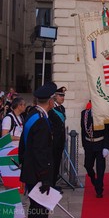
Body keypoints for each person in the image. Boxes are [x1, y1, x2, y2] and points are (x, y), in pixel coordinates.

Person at [18, 82, 57, 218]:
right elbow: (40, 151)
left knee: (35, 208)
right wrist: (45, 178)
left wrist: (22, 161)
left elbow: (23, 144)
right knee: (40, 211)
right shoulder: (41, 121)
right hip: (38, 174)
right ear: (50, 101)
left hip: (31, 170)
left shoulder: (32, 114)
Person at [81, 101, 108, 198]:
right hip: (89, 144)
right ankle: (93, 180)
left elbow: (106, 132)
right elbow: (83, 130)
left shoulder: (103, 114)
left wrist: (106, 147)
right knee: (88, 165)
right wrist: (84, 145)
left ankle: (99, 189)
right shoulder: (84, 113)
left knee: (100, 169)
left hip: (100, 144)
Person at [48, 86, 67, 193]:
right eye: (60, 95)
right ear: (55, 96)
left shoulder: (61, 108)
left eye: (63, 96)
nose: (62, 98)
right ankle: (49, 185)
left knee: (57, 163)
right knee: (52, 164)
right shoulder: (51, 110)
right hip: (53, 141)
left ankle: (53, 184)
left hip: (60, 141)